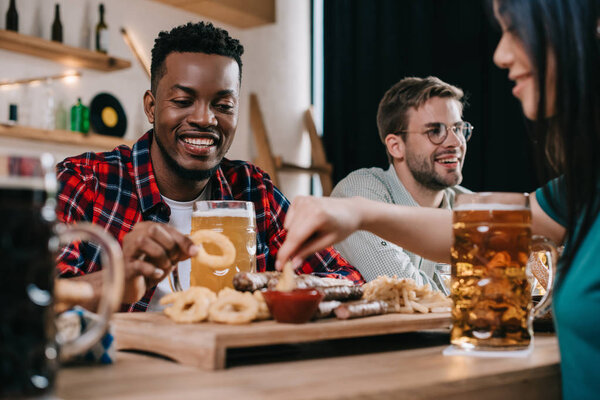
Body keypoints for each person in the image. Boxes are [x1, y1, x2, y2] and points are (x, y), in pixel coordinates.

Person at [277, 0, 600, 398]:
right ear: (393, 145)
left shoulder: (474, 200)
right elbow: (484, 241)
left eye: (515, 30)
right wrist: (355, 210)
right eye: (435, 131)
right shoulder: (581, 184)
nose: (499, 54)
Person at [55, 22, 364, 312]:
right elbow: (29, 297)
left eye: (223, 105)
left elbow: (345, 280)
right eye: (182, 101)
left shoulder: (253, 190)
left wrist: (271, 293)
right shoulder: (83, 182)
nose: (205, 119)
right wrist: (115, 281)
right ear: (151, 107)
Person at [330, 76, 471, 290]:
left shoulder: (471, 205)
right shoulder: (358, 194)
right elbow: (408, 292)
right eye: (435, 131)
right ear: (396, 146)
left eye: (458, 129)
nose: (455, 142)